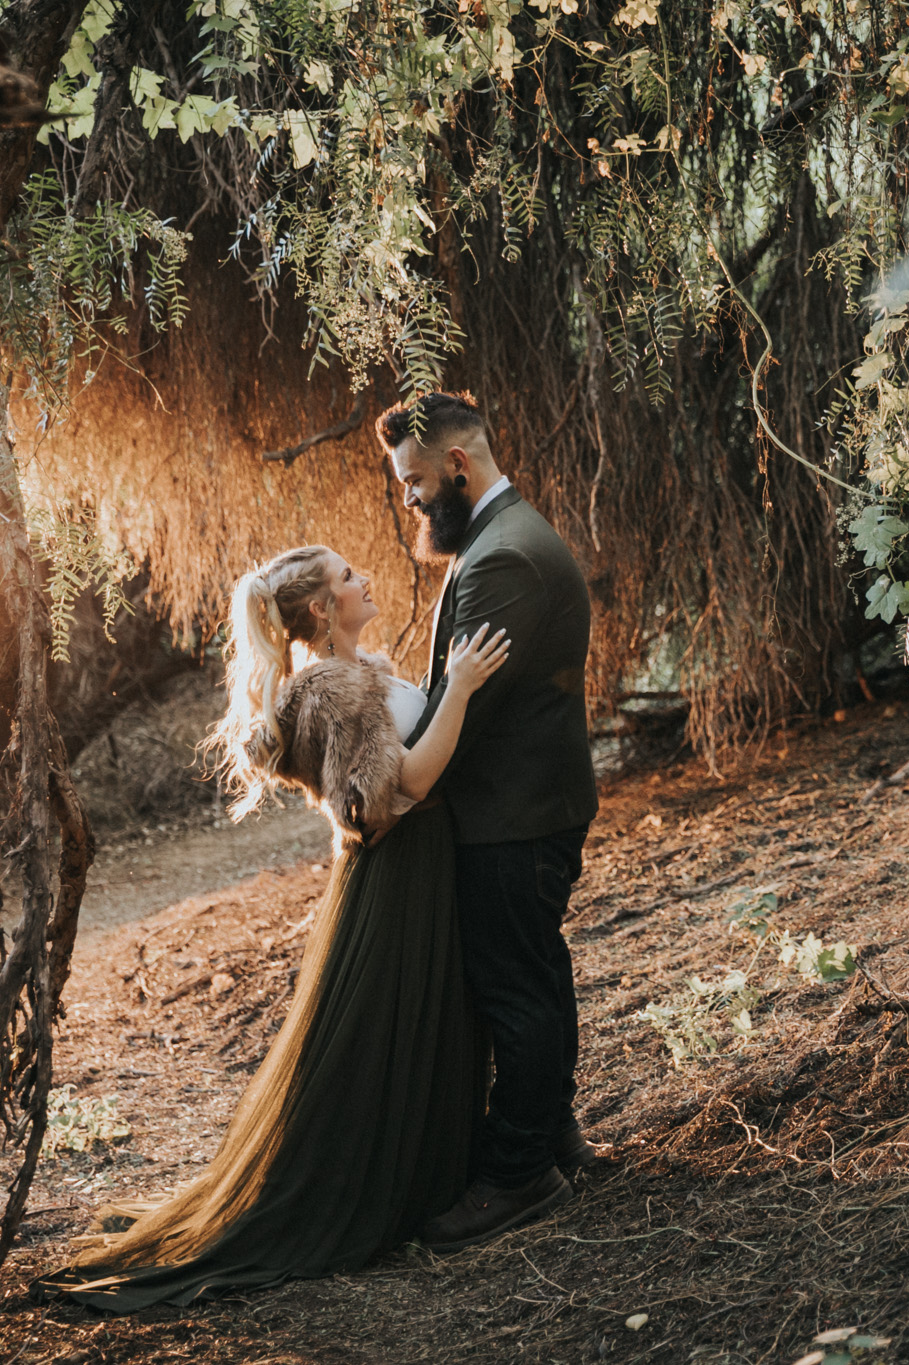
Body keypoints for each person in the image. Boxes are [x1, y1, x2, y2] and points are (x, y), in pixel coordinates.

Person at [38, 546, 509, 1311]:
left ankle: (427, 1172)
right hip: (402, 878)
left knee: (416, 1025)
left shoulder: (358, 672)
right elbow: (397, 793)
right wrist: (457, 688)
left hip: (424, 869)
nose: (364, 580)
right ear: (321, 608)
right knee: (385, 1032)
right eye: (349, 577)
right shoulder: (326, 689)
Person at [377, 390, 601, 1252]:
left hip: (514, 814)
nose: (410, 501)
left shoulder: (504, 558)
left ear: (458, 467)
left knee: (515, 988)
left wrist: (396, 774)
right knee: (536, 973)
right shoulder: (497, 541)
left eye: (416, 482)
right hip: (526, 805)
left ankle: (516, 1174)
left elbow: (458, 719)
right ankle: (550, 1135)